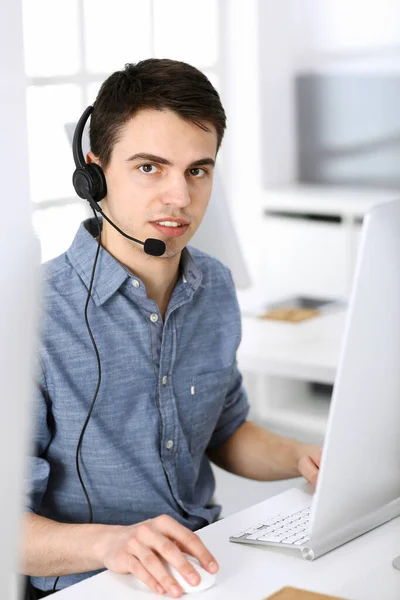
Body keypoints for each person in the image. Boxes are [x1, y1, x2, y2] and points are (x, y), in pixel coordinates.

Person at [21, 58, 321, 599]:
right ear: (93, 173)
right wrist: (108, 545)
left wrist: (304, 457)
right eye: (149, 168)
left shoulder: (214, 286)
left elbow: (225, 433)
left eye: (197, 170)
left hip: (207, 565)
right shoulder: (30, 317)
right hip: (92, 585)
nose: (180, 198)